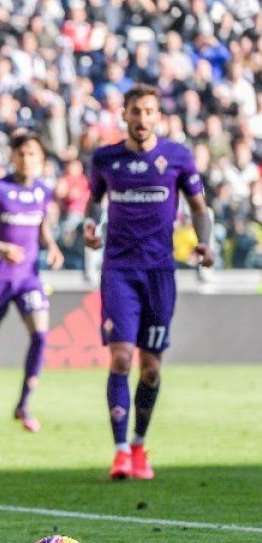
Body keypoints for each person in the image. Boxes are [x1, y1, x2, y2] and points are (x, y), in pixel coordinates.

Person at [84, 84, 214, 480]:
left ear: (159, 116)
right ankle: (120, 451)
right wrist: (91, 225)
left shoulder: (177, 157)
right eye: (135, 111)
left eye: (149, 111)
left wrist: (205, 244)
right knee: (122, 357)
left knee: (151, 367)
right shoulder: (106, 159)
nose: (142, 119)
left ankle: (139, 444)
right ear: (124, 115)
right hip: (119, 270)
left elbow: (199, 208)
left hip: (159, 272)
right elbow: (94, 200)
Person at [0, 131, 64, 435]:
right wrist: (2, 247)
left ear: (42, 160)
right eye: (22, 154)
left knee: (41, 334)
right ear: (14, 157)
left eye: (33, 154)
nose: (27, 159)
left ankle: (24, 404)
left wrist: (53, 246)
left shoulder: (42, 192)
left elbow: (42, 224)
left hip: (29, 278)